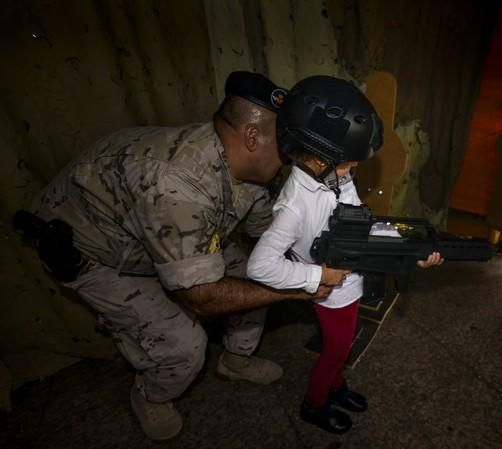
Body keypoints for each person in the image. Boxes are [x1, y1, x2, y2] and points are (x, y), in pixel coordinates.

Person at [27, 71, 332, 440]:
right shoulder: (177, 182)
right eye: (287, 142)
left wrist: (317, 252)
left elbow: (266, 234)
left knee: (260, 273)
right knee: (184, 345)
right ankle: (150, 396)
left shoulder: (247, 166)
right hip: (93, 250)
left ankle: (236, 360)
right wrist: (300, 288)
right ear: (252, 136)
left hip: (155, 234)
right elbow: (200, 298)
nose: (293, 154)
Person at [246, 75, 443, 434]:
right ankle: (314, 403)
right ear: (318, 155)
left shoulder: (334, 177)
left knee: (342, 346)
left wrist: (408, 250)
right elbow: (259, 265)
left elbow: (360, 227)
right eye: (348, 164)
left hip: (350, 284)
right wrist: (318, 277)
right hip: (331, 294)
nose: (353, 172)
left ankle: (336, 387)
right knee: (335, 351)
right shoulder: (293, 206)